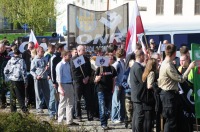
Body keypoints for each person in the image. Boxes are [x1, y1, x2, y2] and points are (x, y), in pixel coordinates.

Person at [158, 44, 195, 132]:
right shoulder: (168, 65)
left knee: (178, 119)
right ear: (174, 53)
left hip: (173, 95)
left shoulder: (168, 63)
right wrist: (189, 68)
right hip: (168, 95)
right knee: (171, 121)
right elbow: (181, 79)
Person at [94, 55, 117, 130]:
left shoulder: (112, 68)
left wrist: (113, 89)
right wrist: (98, 78)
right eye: (109, 58)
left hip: (109, 90)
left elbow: (114, 80)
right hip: (101, 90)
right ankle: (103, 124)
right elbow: (95, 80)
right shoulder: (100, 68)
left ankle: (105, 120)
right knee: (102, 108)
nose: (110, 60)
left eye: (111, 59)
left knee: (108, 109)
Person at [71, 45, 93, 121]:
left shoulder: (86, 59)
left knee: (89, 99)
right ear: (79, 51)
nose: (85, 51)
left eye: (85, 50)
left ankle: (90, 115)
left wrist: (87, 77)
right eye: (83, 50)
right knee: (78, 99)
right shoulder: (74, 59)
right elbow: (74, 72)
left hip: (86, 82)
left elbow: (90, 70)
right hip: (78, 82)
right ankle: (78, 115)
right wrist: (82, 79)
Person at [56, 50, 78, 126]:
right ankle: (60, 121)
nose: (70, 57)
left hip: (70, 84)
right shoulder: (60, 65)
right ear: (64, 56)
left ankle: (69, 120)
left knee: (70, 103)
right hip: (63, 85)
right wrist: (61, 88)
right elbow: (59, 78)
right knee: (62, 103)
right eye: (69, 55)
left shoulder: (68, 64)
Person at [4, 48, 28, 113]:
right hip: (19, 80)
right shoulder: (21, 61)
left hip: (12, 80)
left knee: (12, 96)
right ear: (19, 54)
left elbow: (5, 71)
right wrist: (26, 81)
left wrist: (10, 77)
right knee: (20, 96)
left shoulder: (10, 61)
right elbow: (24, 72)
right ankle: (24, 110)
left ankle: (13, 111)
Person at [30, 46, 50, 115]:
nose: (43, 52)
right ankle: (39, 108)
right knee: (38, 94)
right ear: (38, 52)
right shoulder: (34, 60)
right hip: (37, 79)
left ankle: (49, 107)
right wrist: (36, 76)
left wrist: (47, 69)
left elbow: (47, 68)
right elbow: (31, 71)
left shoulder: (45, 59)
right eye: (42, 51)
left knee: (47, 93)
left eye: (43, 51)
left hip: (44, 78)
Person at [129, 50, 145, 132]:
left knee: (135, 115)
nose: (144, 57)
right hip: (138, 95)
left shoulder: (134, 65)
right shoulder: (138, 67)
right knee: (139, 115)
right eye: (144, 56)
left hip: (135, 94)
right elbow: (142, 80)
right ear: (141, 56)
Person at [142, 58, 157, 132]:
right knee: (149, 119)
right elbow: (149, 85)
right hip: (149, 98)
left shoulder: (146, 71)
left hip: (145, 98)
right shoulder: (152, 73)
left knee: (146, 119)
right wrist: (157, 83)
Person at [111, 48, 126, 123]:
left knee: (121, 102)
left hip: (122, 85)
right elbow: (114, 76)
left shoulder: (123, 62)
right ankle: (114, 118)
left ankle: (121, 117)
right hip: (117, 85)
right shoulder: (116, 64)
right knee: (115, 102)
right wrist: (116, 85)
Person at [22, 42, 35, 106]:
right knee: (27, 87)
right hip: (27, 71)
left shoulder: (35, 52)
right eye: (30, 47)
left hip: (34, 72)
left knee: (33, 87)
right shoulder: (25, 53)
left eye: (32, 47)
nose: (31, 48)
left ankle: (32, 100)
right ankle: (27, 100)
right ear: (28, 47)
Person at [0, 41, 10, 108]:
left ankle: (3, 102)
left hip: (4, 74)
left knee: (4, 88)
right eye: (2, 47)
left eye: (4, 47)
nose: (3, 48)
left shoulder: (6, 54)